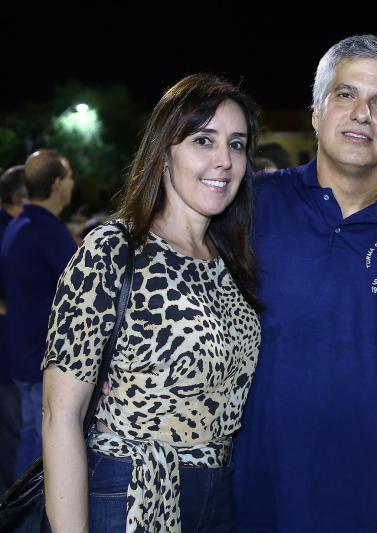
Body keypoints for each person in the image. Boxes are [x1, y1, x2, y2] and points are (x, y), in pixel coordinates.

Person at [233, 35, 377, 533]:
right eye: (345, 94)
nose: (362, 114)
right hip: (258, 505)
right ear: (316, 112)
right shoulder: (249, 204)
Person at [41, 73, 262, 532]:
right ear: (164, 152)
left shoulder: (231, 261)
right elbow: (59, 414)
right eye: (203, 140)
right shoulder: (113, 250)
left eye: (237, 145)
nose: (224, 160)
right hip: (127, 490)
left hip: (217, 491)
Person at [1, 149, 76, 479]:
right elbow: (87, 290)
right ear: (57, 183)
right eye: (70, 176)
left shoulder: (20, 223)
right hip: (39, 359)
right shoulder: (45, 230)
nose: (73, 183)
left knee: (31, 436)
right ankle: (25, 509)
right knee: (38, 448)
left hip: (23, 352)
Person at [0, 164, 28, 492]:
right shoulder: (14, 230)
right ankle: (12, 501)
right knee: (14, 429)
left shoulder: (12, 226)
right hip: (10, 350)